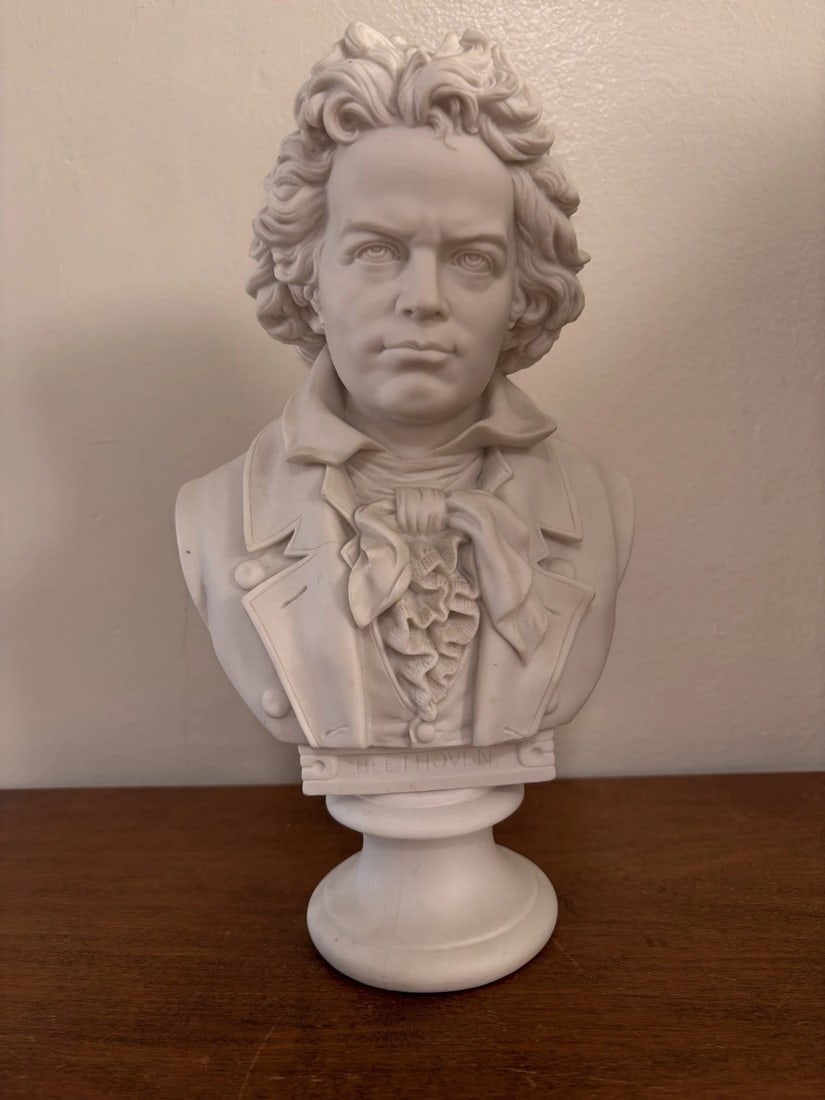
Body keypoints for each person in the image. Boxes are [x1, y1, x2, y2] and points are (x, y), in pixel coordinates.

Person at [176, 23, 632, 767]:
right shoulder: (215, 513)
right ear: (308, 276)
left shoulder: (599, 504)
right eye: (376, 251)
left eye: (472, 258)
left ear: (523, 292)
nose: (423, 299)